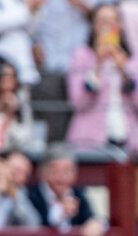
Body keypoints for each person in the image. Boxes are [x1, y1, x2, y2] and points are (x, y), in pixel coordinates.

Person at [66, 2, 138, 153]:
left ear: (121, 25)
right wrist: (98, 66)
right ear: (93, 25)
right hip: (89, 141)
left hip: (125, 139)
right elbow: (78, 102)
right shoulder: (81, 56)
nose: (107, 26)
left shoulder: (133, 59)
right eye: (102, 21)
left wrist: (124, 71)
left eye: (113, 21)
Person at [31, 0, 91, 143]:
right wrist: (34, 44)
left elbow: (104, 17)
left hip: (83, 65)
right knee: (53, 116)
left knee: (82, 113)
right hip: (52, 64)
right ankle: (54, 154)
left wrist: (85, 7)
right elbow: (32, 25)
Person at [25, 145, 107, 236]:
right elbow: (31, 226)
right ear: (43, 172)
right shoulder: (31, 195)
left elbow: (91, 218)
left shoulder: (78, 194)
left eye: (67, 171)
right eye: (55, 171)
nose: (62, 177)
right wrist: (59, 212)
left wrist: (95, 224)